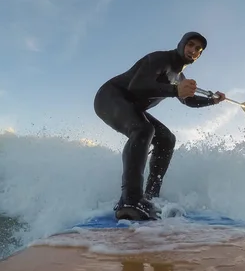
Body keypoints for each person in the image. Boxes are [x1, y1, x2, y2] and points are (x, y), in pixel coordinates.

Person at [93, 31, 226, 221]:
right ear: (181, 44)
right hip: (109, 97)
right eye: (190, 45)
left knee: (166, 139)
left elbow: (188, 101)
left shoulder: (179, 77)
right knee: (143, 129)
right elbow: (137, 86)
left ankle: (150, 197)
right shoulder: (159, 59)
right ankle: (130, 199)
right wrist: (174, 90)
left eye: (198, 49)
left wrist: (212, 101)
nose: (193, 51)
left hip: (131, 106)